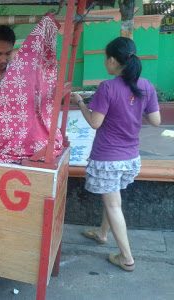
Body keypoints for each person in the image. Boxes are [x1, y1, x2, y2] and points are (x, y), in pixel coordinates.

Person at [70, 37, 161, 272]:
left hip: (108, 158)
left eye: (105, 58)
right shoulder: (147, 86)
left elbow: (94, 123)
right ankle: (102, 233)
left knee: (113, 205)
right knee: (113, 200)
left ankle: (127, 257)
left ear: (111, 60)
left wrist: (80, 102)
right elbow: (156, 120)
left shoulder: (107, 87)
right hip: (131, 157)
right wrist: (132, 112)